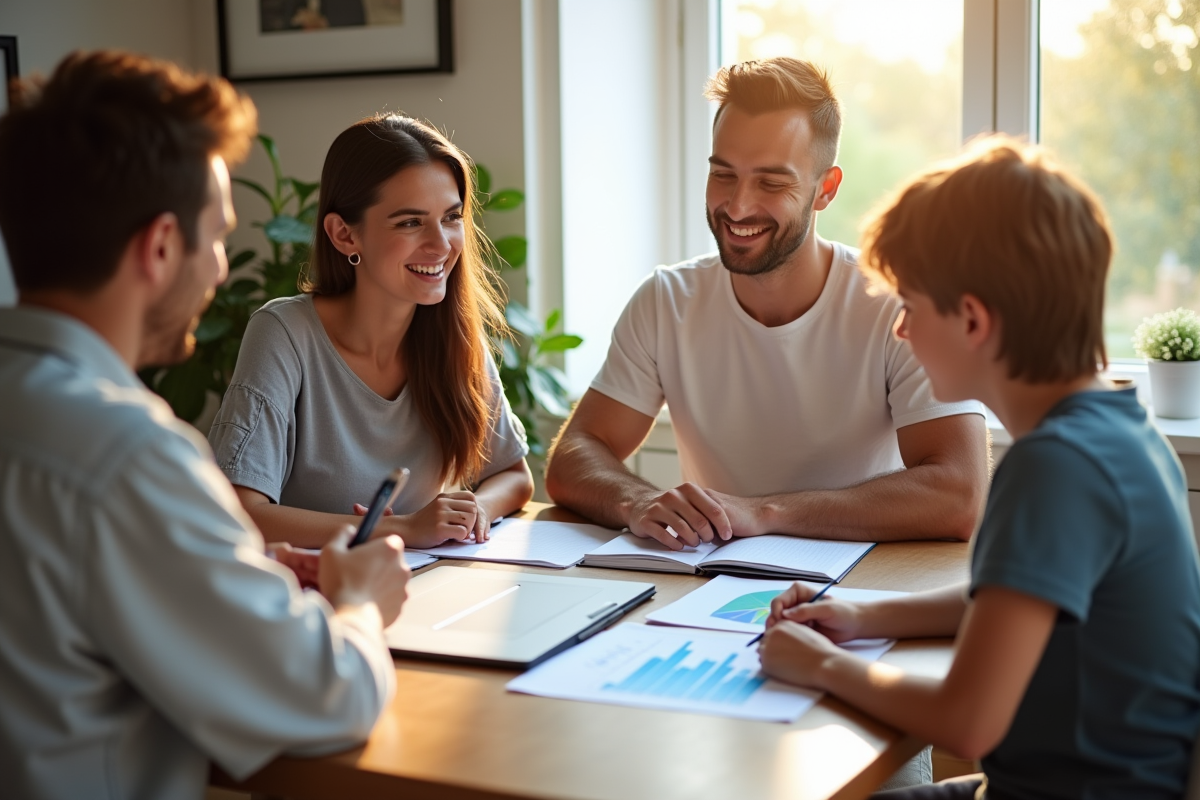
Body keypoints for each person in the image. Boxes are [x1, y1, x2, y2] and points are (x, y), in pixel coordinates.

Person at [0, 51, 411, 799]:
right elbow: (330, 699)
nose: (221, 268)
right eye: (216, 236)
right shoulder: (125, 455)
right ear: (159, 247)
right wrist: (357, 599)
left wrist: (226, 572)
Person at [758, 136, 1200, 799]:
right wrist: (860, 614)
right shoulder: (1117, 431)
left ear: (972, 320)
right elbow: (1006, 601)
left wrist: (824, 666)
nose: (901, 330)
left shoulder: (1056, 466)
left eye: (908, 306)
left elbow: (968, 723)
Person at [544, 57, 989, 552]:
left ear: (825, 190)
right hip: (711, 581)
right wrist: (637, 502)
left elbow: (959, 493)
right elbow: (574, 456)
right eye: (723, 174)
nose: (737, 206)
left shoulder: (896, 305)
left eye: (772, 183)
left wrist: (763, 512)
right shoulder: (666, 301)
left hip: (858, 588)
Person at [208, 114, 534, 549]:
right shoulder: (283, 334)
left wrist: (478, 508)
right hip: (308, 597)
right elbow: (238, 511)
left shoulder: (454, 335)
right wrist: (402, 530)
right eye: (410, 222)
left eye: (451, 217)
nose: (441, 245)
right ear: (344, 235)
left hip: (418, 586)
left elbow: (513, 475)